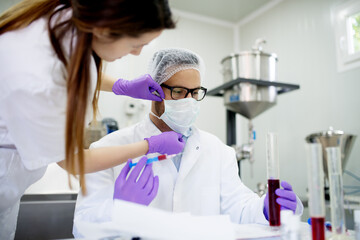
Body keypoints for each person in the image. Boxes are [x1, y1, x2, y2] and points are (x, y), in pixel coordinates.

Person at [0, 1, 185, 239]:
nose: (137, 52)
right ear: (103, 29)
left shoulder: (73, 20)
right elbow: (72, 161)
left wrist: (121, 86)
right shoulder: (38, 80)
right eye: (136, 44)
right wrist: (150, 145)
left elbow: (73, 69)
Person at [73, 48, 304, 237]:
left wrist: (264, 208)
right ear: (153, 91)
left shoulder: (217, 150)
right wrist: (117, 208)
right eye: (179, 91)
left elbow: (238, 208)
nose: (189, 101)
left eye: (195, 93)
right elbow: (82, 226)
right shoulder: (107, 149)